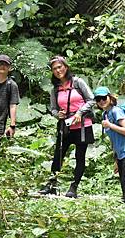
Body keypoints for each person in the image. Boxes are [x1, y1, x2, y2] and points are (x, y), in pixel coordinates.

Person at [38, 56, 95, 197]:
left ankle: (73, 187)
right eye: (54, 69)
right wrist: (58, 115)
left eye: (60, 67)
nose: (58, 70)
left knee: (79, 156)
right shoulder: (55, 89)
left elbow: (91, 99)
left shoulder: (78, 82)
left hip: (82, 125)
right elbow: (53, 108)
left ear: (66, 67)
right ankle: (51, 184)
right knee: (59, 154)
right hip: (65, 126)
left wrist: (80, 113)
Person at [96, 87, 125, 204]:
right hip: (121, 154)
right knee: (123, 183)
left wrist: (110, 125)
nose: (101, 101)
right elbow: (113, 140)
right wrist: (116, 160)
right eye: (98, 99)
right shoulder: (105, 114)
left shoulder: (116, 111)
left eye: (103, 98)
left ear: (110, 98)